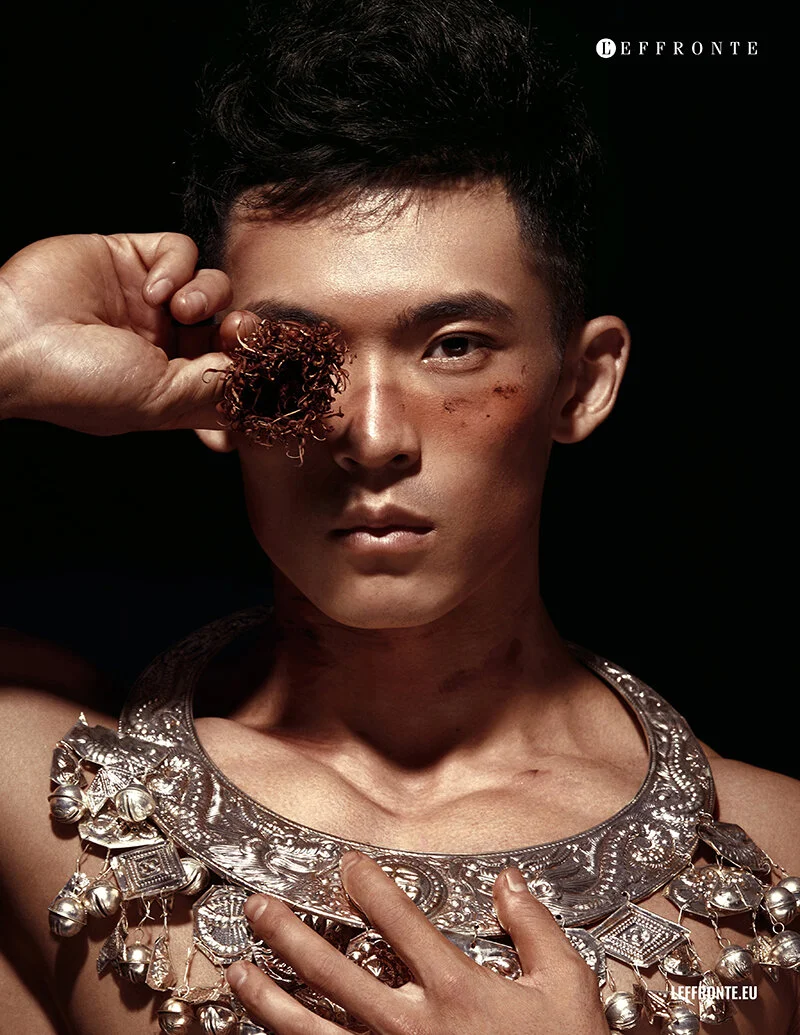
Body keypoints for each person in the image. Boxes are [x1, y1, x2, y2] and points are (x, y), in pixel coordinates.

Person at [0, 1, 797, 1033]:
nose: (372, 437)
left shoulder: (780, 859)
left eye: (453, 346)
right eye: (294, 358)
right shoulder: (35, 799)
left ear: (582, 381)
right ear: (211, 391)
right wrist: (8, 349)